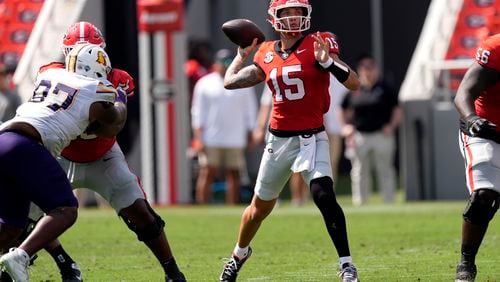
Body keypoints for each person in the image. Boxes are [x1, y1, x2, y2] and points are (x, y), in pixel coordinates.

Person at [1, 22, 186, 282]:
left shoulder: (110, 77)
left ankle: (172, 272)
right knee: (28, 220)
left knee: (142, 214)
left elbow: (108, 132)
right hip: (58, 154)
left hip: (102, 157)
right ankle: (62, 265)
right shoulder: (58, 74)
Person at [219, 0, 361, 281]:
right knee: (258, 210)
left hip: (313, 135)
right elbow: (229, 81)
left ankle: (347, 264)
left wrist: (328, 63)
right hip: (278, 140)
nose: (294, 18)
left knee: (324, 195)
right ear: (274, 19)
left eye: (299, 12)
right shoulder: (266, 52)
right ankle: (239, 253)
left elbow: (354, 82)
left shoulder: (319, 43)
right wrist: (241, 55)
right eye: (288, 13)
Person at [0, 43, 126, 282]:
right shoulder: (98, 88)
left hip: (3, 139)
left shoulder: (50, 73)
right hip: (28, 145)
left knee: (11, 228)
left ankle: (18, 255)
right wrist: (120, 102)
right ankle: (21, 257)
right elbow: (113, 123)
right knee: (65, 209)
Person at [453, 33, 500, 282]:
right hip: (485, 130)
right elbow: (463, 93)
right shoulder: (496, 49)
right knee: (484, 195)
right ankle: (466, 262)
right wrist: (472, 119)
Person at [191, 49, 257, 205]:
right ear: (215, 65)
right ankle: (202, 206)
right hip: (211, 137)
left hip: (235, 137)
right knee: (208, 171)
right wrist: (199, 138)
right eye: (222, 63)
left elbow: (250, 110)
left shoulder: (243, 81)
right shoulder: (204, 83)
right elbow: (198, 113)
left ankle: (232, 205)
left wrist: (251, 134)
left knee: (233, 173)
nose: (225, 67)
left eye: (228, 63)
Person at [339, 54, 402, 206]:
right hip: (360, 136)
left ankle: (389, 202)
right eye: (365, 68)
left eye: (371, 68)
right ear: (360, 71)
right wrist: (345, 126)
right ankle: (360, 202)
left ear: (376, 69)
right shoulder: (354, 89)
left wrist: (392, 126)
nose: (368, 72)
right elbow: (342, 109)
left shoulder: (385, 88)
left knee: (385, 169)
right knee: (359, 170)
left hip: (382, 134)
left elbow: (398, 109)